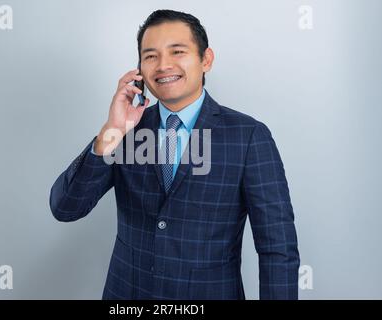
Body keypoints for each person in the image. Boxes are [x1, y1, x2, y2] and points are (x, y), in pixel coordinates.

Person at [49, 9, 300, 300]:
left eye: (177, 51)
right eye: (151, 56)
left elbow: (277, 249)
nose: (163, 65)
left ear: (205, 60)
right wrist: (112, 129)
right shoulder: (126, 131)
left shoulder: (249, 137)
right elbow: (65, 208)